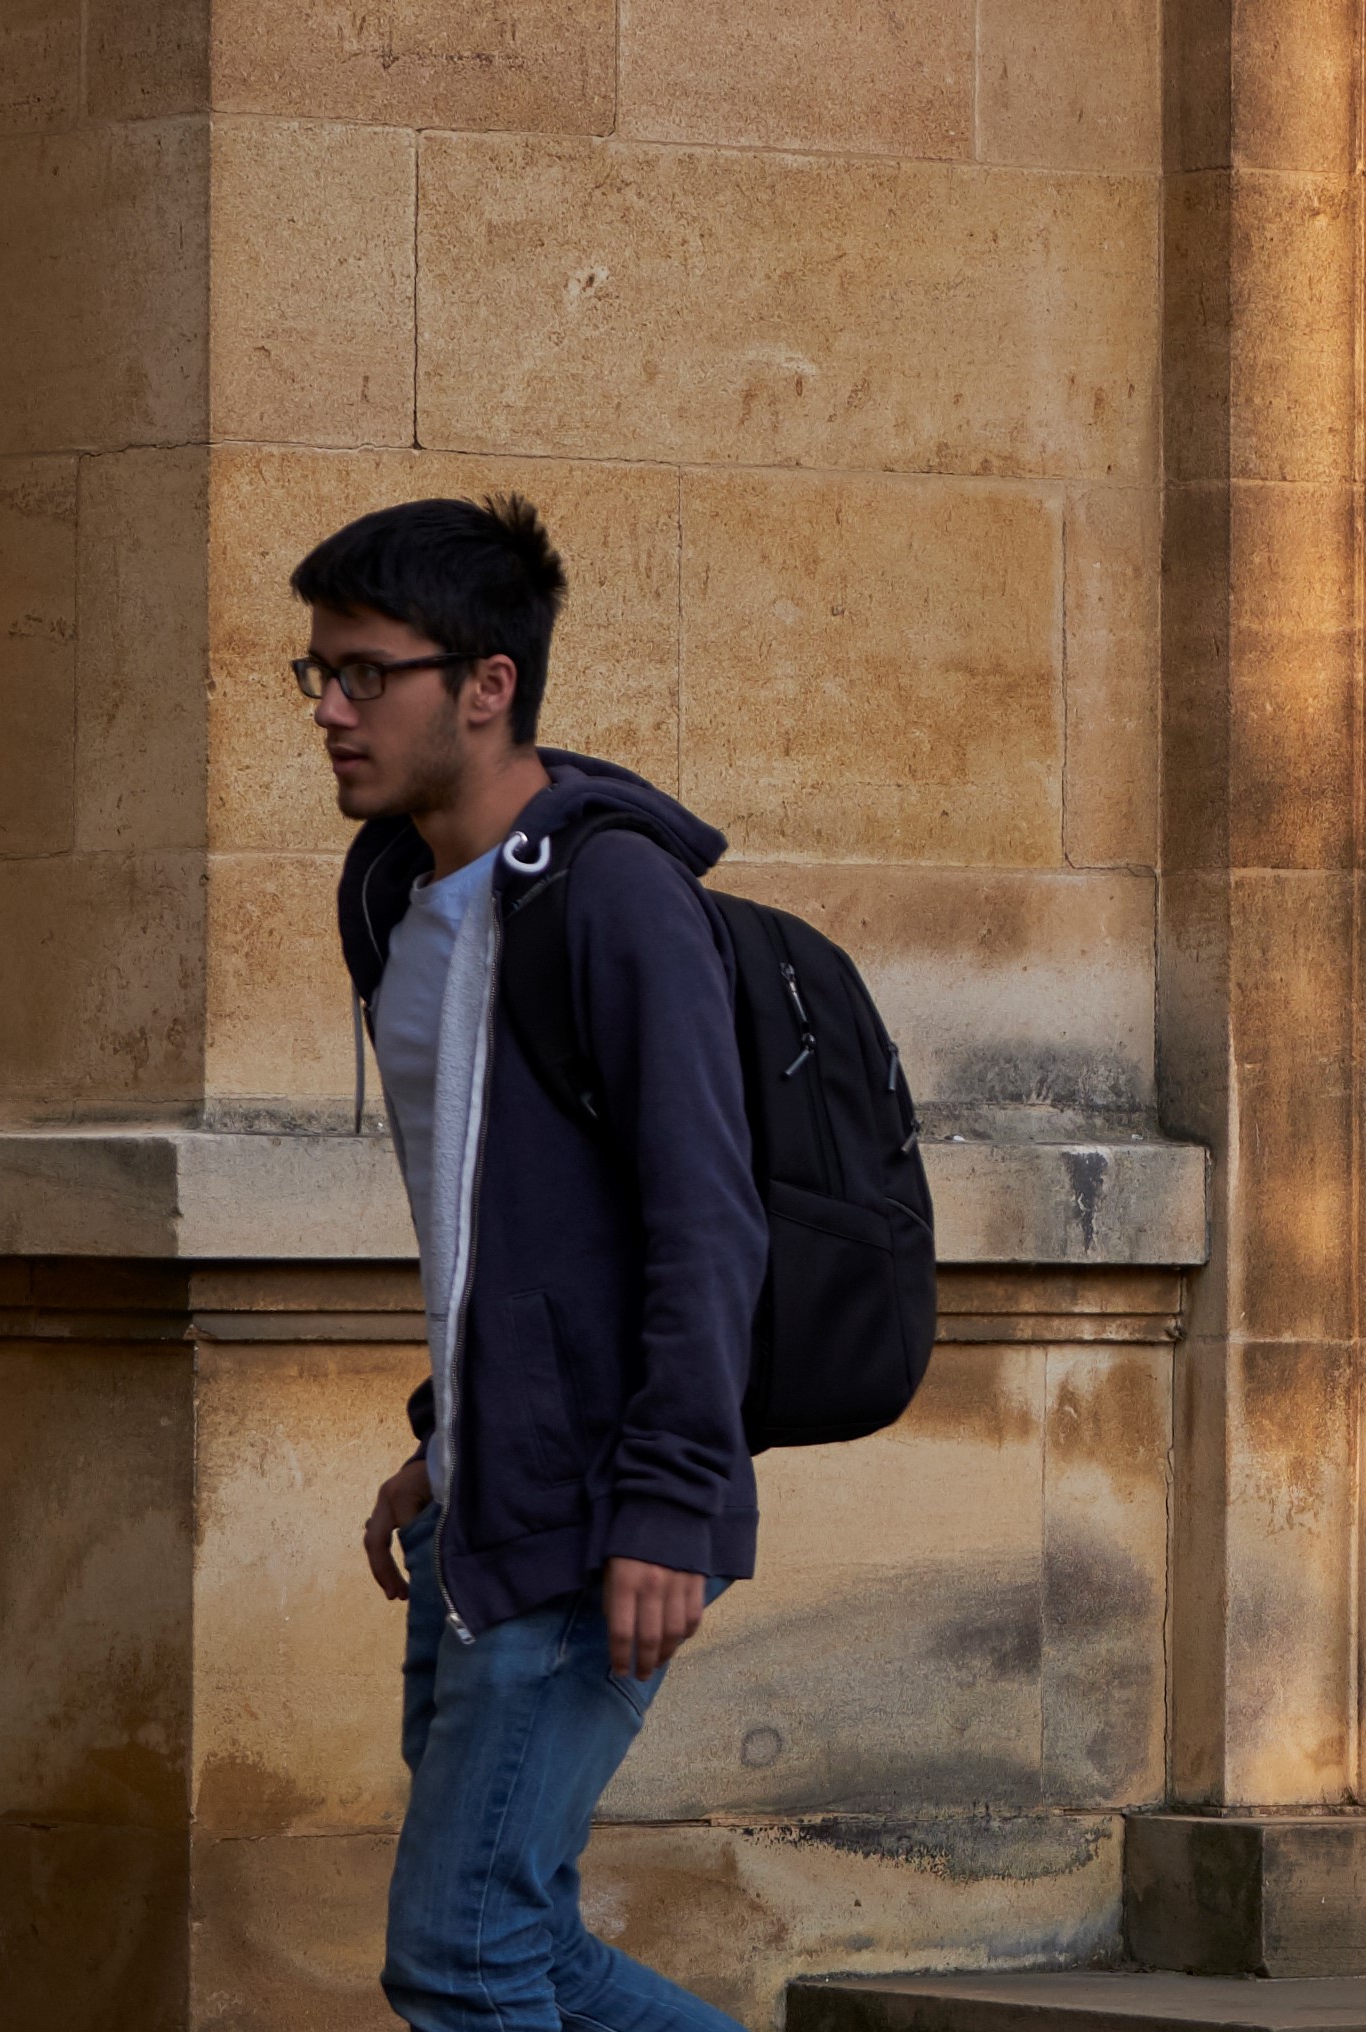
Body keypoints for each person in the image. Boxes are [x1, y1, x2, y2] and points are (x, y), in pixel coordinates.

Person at [317, 495, 771, 2031]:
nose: (330, 709)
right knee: (523, 1940)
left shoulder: (615, 899)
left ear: (487, 684)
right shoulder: (395, 895)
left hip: (593, 1517)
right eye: (315, 673)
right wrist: (445, 1439)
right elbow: (498, 1226)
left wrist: (669, 1503)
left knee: (462, 1956)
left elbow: (704, 1222)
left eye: (367, 673)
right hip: (491, 1496)